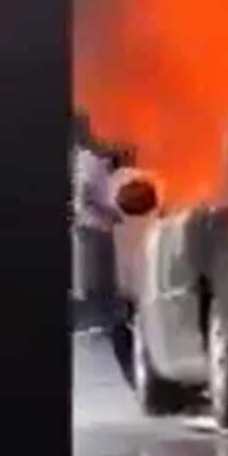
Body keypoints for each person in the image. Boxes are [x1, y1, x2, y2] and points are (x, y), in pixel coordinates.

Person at [71, 112, 135, 383]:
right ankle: (131, 368)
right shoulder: (89, 160)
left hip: (99, 235)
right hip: (95, 236)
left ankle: (132, 366)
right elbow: (86, 202)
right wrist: (114, 216)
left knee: (111, 307)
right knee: (108, 308)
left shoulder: (96, 159)